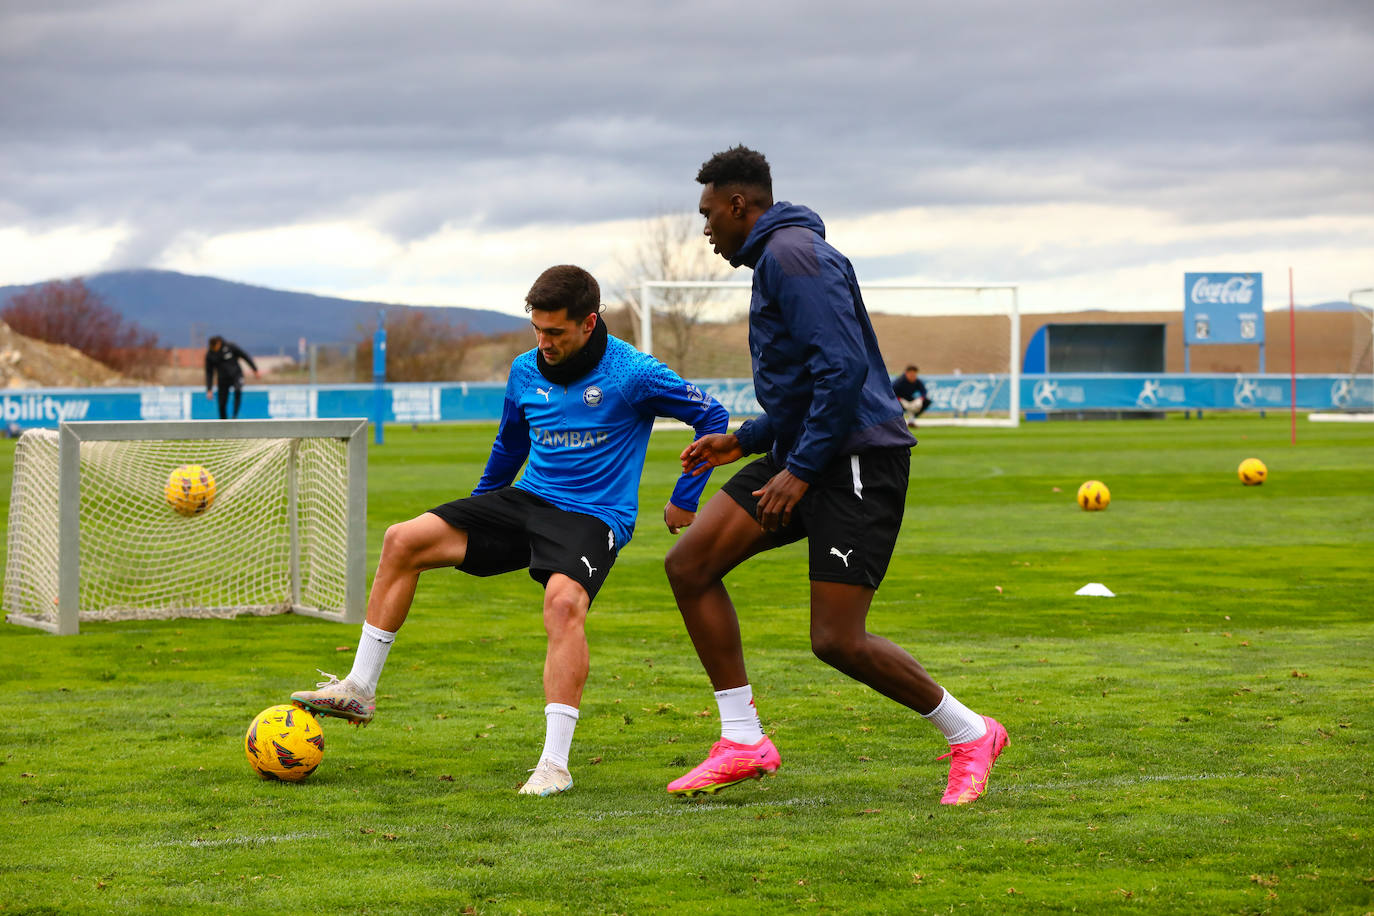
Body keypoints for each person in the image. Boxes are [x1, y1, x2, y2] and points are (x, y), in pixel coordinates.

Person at [291, 265, 730, 797]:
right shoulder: (525, 370)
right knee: (402, 539)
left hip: (594, 518)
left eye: (555, 333)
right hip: (525, 503)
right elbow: (509, 447)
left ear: (590, 323)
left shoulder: (634, 373)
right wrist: (476, 512)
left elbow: (712, 416)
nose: (543, 343)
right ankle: (359, 687)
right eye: (537, 330)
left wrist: (685, 498)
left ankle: (554, 766)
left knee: (563, 604)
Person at [663, 146, 1007, 805]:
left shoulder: (792, 256)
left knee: (837, 640)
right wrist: (742, 440)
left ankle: (972, 733)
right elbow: (804, 393)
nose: (705, 229)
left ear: (741, 205)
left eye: (708, 214)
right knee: (690, 565)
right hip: (810, 453)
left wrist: (799, 468)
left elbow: (844, 374)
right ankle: (742, 741)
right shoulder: (780, 258)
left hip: (853, 463)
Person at [204, 335, 259, 419]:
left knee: (238, 390)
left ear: (218, 343)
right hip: (222, 379)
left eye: (215, 347)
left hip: (236, 375)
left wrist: (255, 370)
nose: (214, 350)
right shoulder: (210, 355)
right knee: (221, 403)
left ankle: (234, 416)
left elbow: (244, 356)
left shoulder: (230, 347)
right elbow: (209, 372)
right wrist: (209, 389)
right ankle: (223, 421)